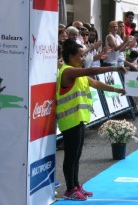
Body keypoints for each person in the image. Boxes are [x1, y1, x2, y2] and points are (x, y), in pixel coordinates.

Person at [57, 39, 126, 201]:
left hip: (79, 119)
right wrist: (114, 67)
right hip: (69, 121)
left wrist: (116, 89)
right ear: (71, 56)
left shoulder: (77, 72)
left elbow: (95, 83)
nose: (83, 59)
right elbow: (91, 71)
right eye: (81, 56)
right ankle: (70, 189)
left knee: (77, 155)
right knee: (71, 156)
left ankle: (76, 185)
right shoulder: (68, 71)